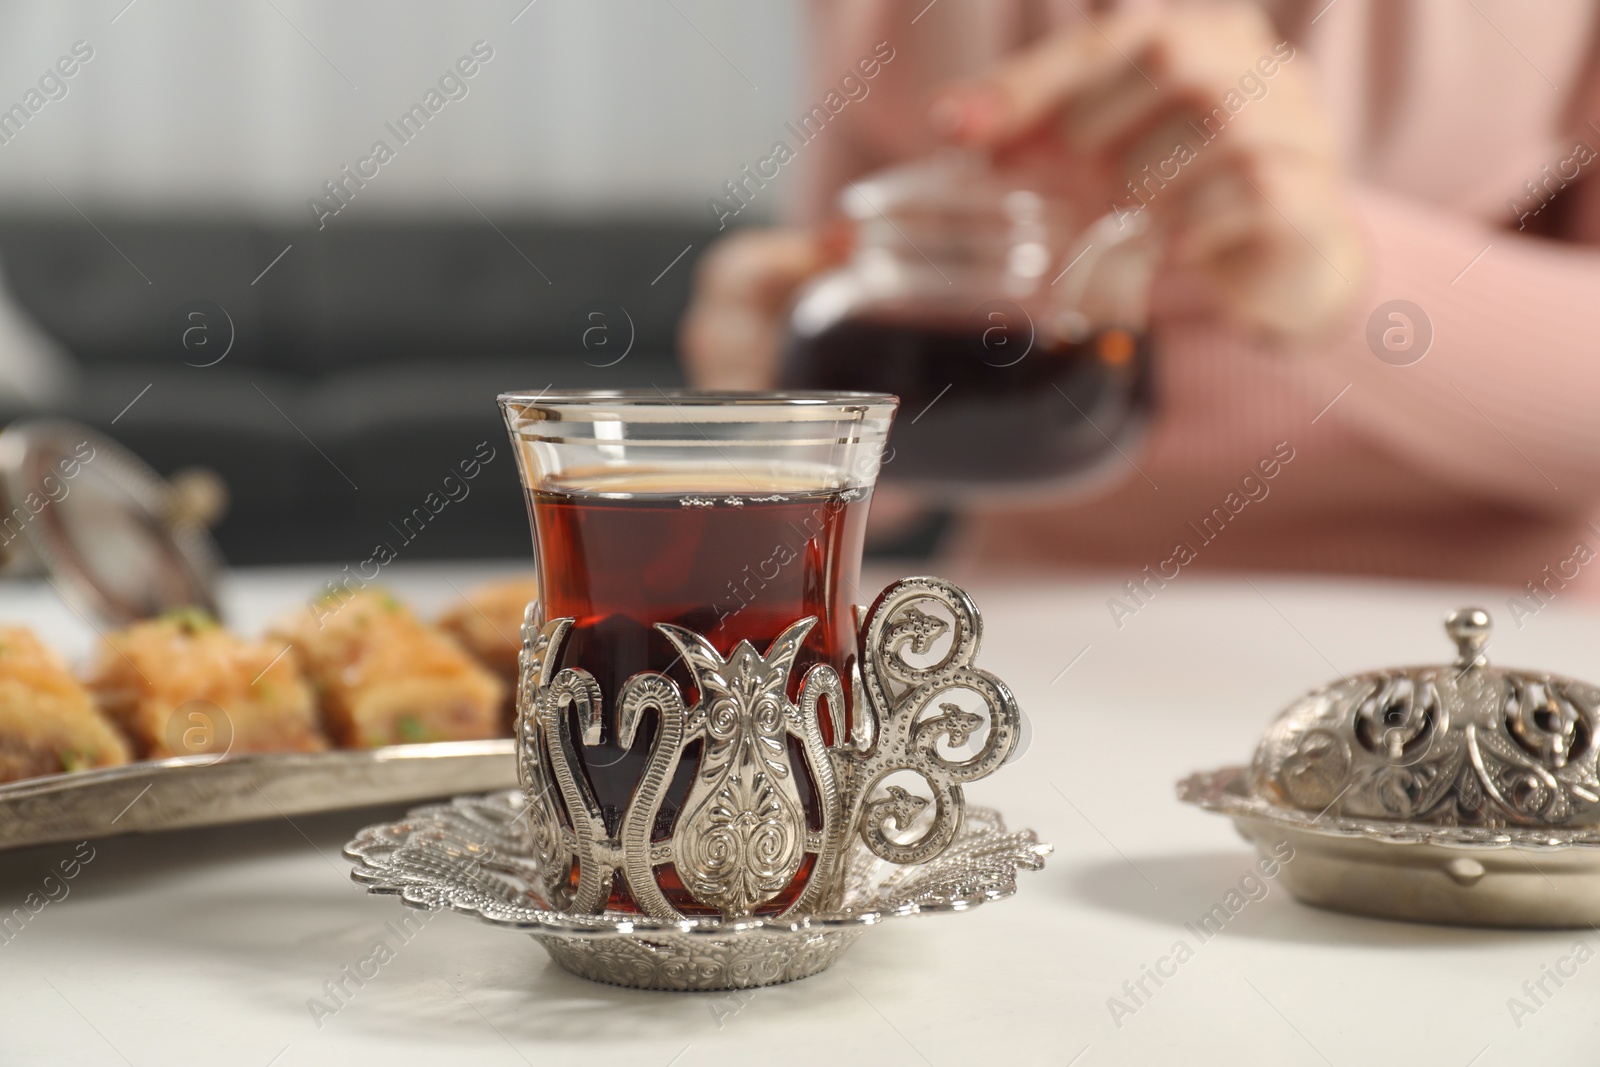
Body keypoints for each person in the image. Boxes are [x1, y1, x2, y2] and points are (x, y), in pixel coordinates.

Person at [680, 0, 1600, 607]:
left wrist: (1352, 279)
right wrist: (785, 408)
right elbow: (892, 468)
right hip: (1031, 649)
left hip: (1491, 664)